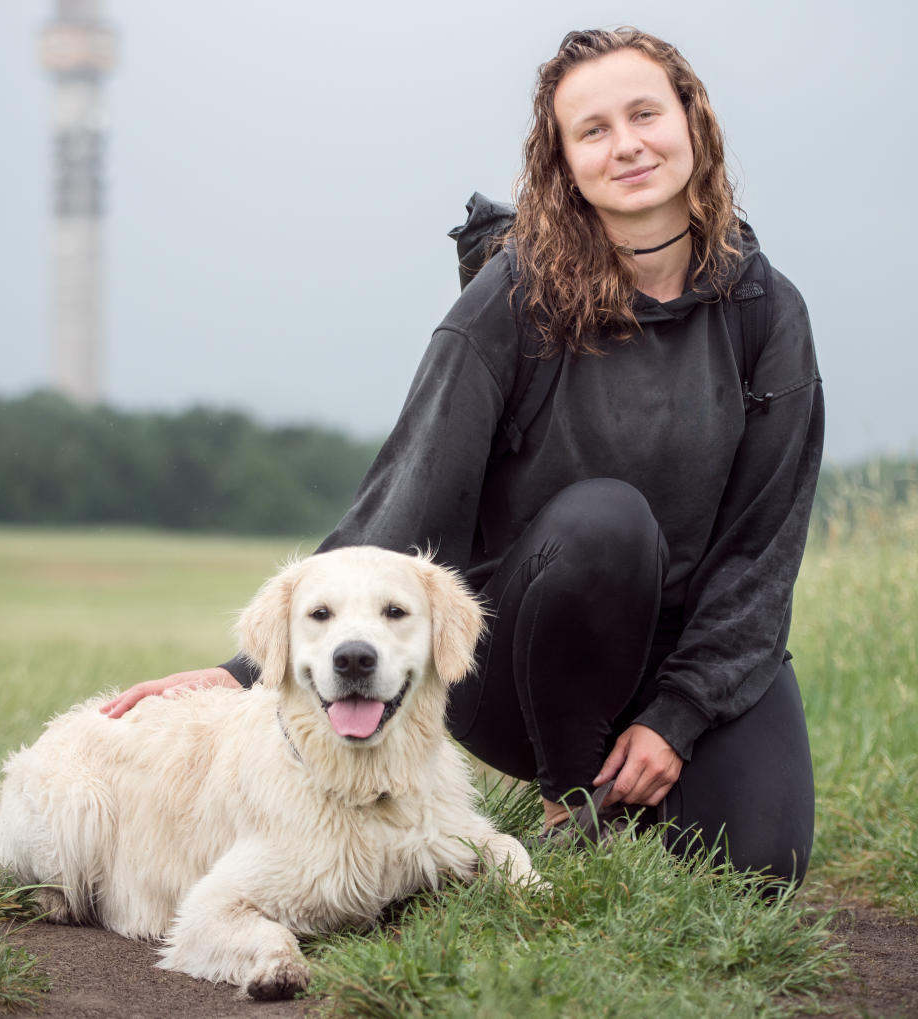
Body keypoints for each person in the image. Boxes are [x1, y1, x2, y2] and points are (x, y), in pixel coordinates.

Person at [102, 26, 824, 883]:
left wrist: (680, 715)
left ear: (692, 122)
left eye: (645, 114)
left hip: (686, 654)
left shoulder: (765, 310)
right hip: (518, 662)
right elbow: (408, 498)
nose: (626, 145)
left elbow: (760, 552)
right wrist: (243, 672)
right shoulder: (514, 296)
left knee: (760, 867)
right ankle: (571, 801)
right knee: (607, 520)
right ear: (563, 162)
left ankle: (647, 785)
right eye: (591, 130)